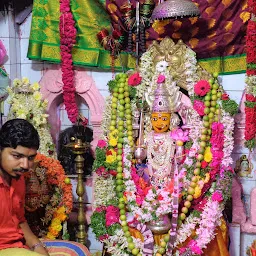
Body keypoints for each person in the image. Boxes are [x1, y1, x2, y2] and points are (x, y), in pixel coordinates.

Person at [0, 119, 49, 256]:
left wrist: (38, 247)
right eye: (17, 156)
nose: (25, 165)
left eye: (31, 158)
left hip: (18, 247)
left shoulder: (18, 179)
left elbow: (20, 220)